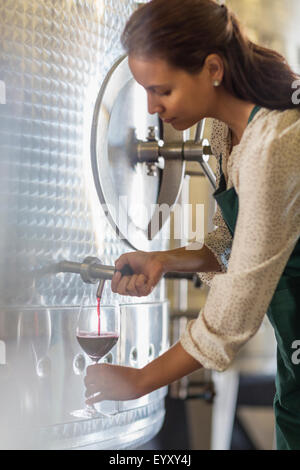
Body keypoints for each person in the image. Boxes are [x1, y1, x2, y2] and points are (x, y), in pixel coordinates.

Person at [84, 0, 300, 450]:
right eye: (144, 90)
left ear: (213, 69)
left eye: (162, 90)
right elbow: (230, 243)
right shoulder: (223, 134)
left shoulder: (276, 141)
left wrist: (142, 380)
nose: (151, 107)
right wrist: (163, 260)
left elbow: (236, 308)